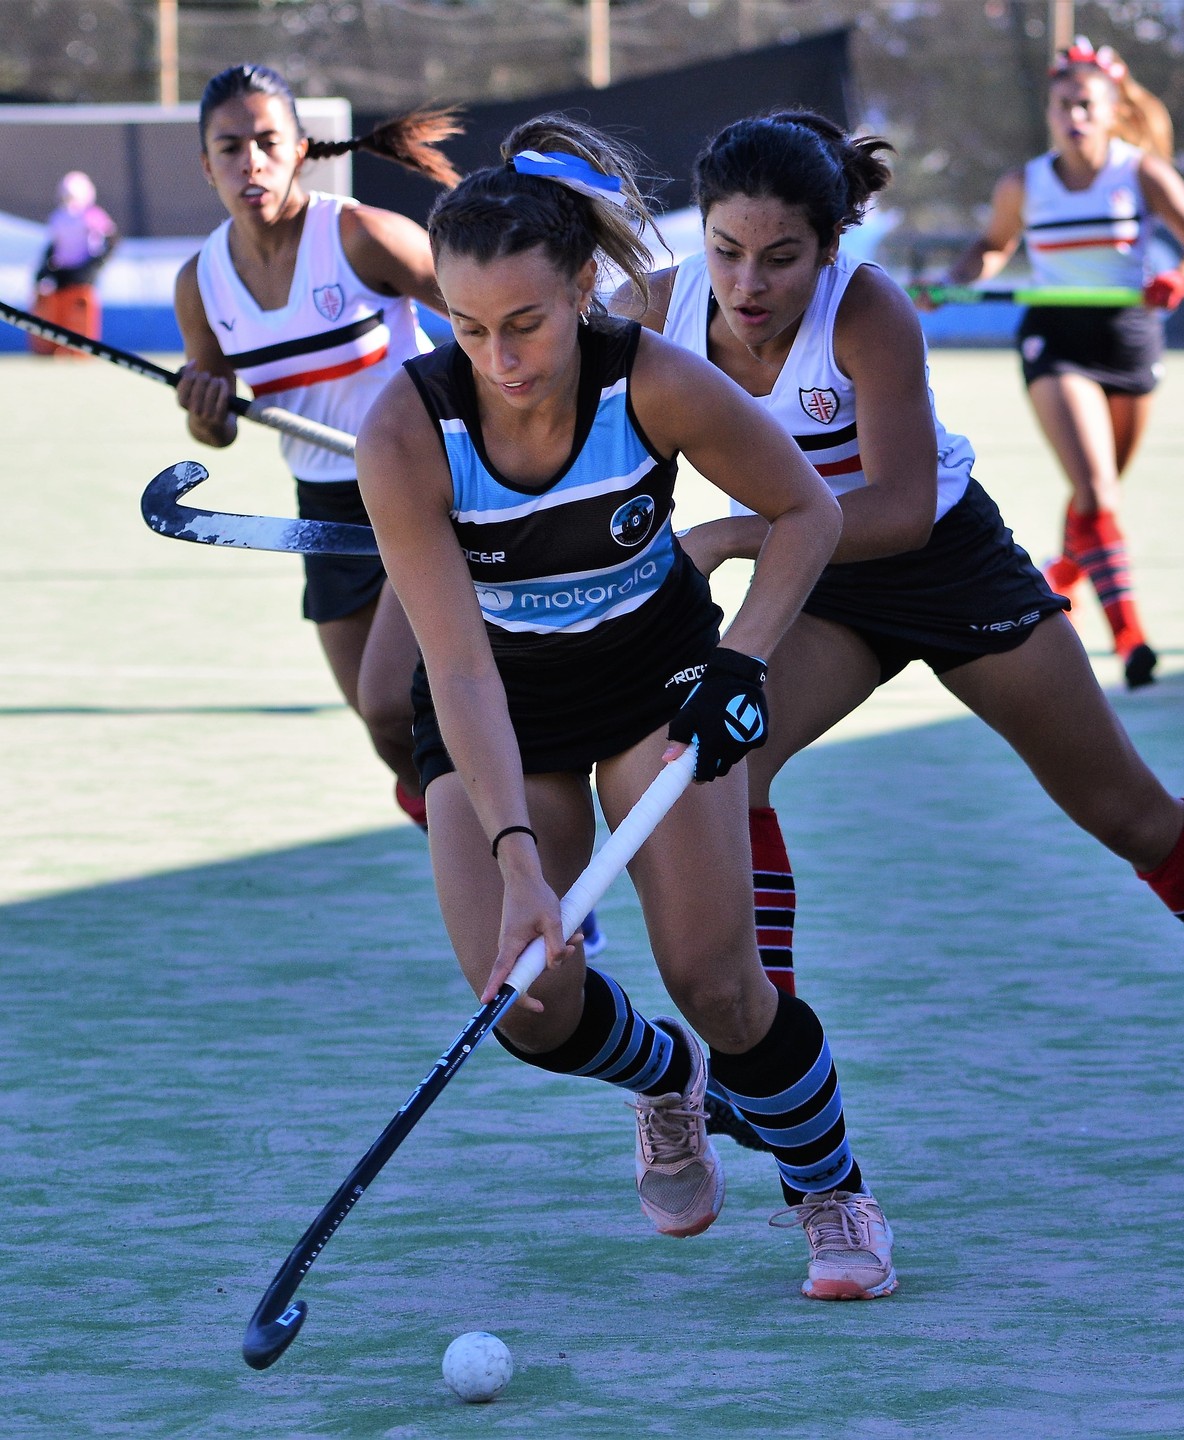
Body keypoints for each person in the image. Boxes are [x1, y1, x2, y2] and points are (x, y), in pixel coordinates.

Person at [610, 109, 1184, 1155]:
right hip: (821, 581)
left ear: (831, 248)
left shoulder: (870, 312)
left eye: (783, 258)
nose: (749, 286)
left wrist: (739, 531)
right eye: (728, 252)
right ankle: (764, 1061)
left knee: (1130, 813)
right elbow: (544, 391)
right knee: (726, 770)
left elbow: (904, 509)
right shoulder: (658, 305)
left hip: (938, 565)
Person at [353, 115, 898, 1301]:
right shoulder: (404, 432)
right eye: (469, 326)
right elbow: (459, 672)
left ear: (586, 289)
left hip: (656, 682)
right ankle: (664, 1079)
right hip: (501, 701)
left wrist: (744, 660)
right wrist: (516, 859)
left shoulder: (654, 380)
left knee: (723, 983)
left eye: (528, 324)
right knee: (530, 1007)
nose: (500, 358)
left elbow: (808, 513)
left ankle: (833, 1191)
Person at [174, 63, 458, 827]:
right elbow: (218, 426)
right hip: (323, 508)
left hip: (417, 486)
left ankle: (523, 875)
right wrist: (207, 410)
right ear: (208, 165)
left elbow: (482, 320)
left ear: (301, 149)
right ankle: (493, 860)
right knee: (387, 732)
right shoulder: (201, 283)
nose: (251, 162)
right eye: (230, 148)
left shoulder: (361, 236)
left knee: (391, 698)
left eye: (268, 142)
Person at [948, 37, 1184, 689]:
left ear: (1110, 110)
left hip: (1129, 338)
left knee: (1095, 497)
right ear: (1050, 111)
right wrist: (955, 279)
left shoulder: (1143, 172)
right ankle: (1131, 639)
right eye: (1063, 105)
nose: (1074, 117)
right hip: (1056, 341)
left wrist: (1180, 278)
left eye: (1086, 105)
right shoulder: (1026, 183)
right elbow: (991, 245)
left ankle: (1061, 574)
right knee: (1098, 490)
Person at [32, 170, 118, 351]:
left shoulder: (92, 215)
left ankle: (79, 349)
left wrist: (95, 265)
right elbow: (54, 246)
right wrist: (44, 270)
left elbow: (112, 240)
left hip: (82, 273)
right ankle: (53, 346)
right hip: (62, 272)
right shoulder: (57, 217)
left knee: (79, 313)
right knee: (57, 310)